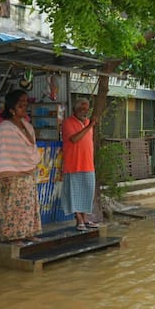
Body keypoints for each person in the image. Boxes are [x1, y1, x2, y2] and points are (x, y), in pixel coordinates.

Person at [0, 89, 42, 244]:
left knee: (28, 204)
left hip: (28, 173)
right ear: (12, 108)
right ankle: (12, 235)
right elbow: (3, 150)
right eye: (20, 105)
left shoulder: (27, 126)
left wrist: (30, 162)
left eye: (26, 104)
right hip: (11, 175)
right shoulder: (5, 127)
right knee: (12, 205)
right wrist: (15, 164)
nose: (24, 107)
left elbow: (31, 148)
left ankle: (27, 232)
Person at [62, 98, 98, 231]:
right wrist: (89, 126)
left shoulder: (88, 122)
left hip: (88, 164)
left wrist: (89, 125)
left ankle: (86, 218)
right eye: (82, 109)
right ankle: (79, 220)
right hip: (73, 164)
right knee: (74, 193)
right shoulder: (68, 123)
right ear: (75, 110)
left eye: (86, 109)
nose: (85, 112)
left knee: (87, 192)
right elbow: (74, 139)